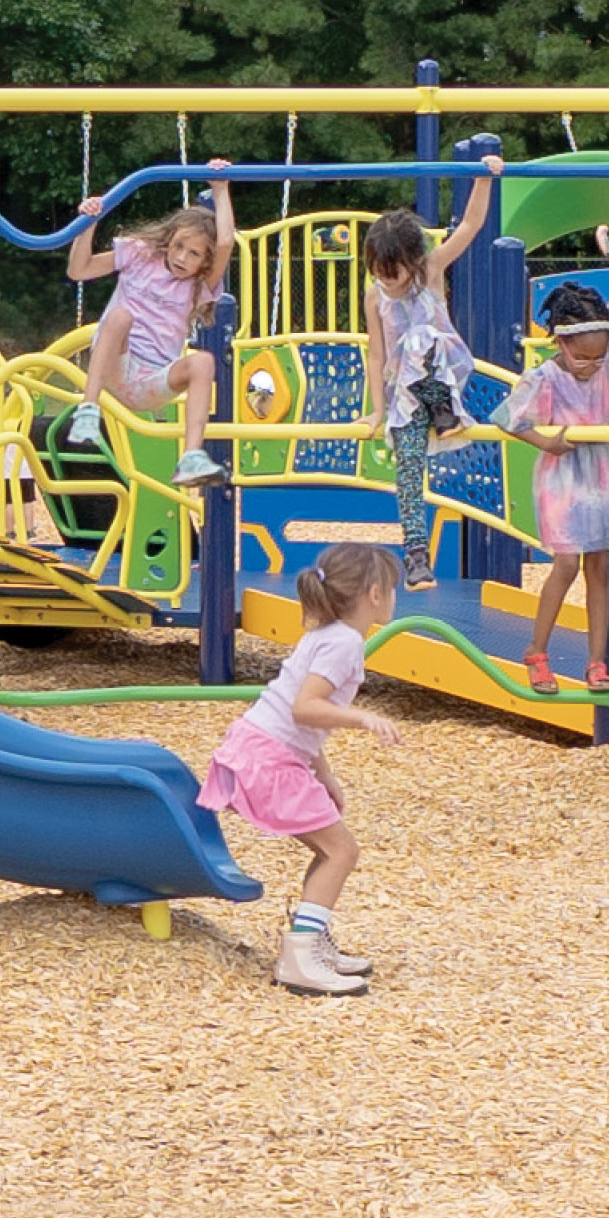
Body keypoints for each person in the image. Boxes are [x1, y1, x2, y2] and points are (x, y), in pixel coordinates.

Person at [195, 541, 402, 997]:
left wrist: (323, 774)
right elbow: (306, 708)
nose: (393, 596)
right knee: (342, 852)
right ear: (373, 594)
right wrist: (363, 718)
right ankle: (301, 957)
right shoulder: (344, 642)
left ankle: (311, 943)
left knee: (331, 850)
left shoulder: (327, 634)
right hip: (268, 758)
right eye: (391, 588)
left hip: (263, 749)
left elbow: (299, 716)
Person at [507, 279, 609, 694]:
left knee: (600, 566)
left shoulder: (601, 365)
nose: (591, 365)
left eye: (597, 358)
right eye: (582, 357)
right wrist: (549, 442)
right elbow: (510, 420)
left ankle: (597, 662)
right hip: (564, 479)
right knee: (565, 564)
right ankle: (537, 652)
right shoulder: (545, 377)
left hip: (604, 475)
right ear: (560, 342)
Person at [59, 162, 239, 488]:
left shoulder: (199, 285)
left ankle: (191, 458)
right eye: (179, 246)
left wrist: (220, 189)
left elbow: (225, 243)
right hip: (116, 364)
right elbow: (79, 269)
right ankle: (87, 411)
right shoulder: (139, 255)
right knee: (120, 315)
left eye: (195, 253)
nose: (183, 257)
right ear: (168, 239)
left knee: (203, 361)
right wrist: (88, 224)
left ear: (206, 262)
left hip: (153, 383)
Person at [361, 158, 498, 582]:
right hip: (406, 395)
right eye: (378, 274)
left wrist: (483, 178)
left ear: (414, 260)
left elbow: (472, 226)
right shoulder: (375, 297)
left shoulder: (431, 271)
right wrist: (377, 410)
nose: (387, 281)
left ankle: (444, 411)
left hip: (444, 374)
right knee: (407, 472)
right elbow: (377, 357)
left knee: (421, 338)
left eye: (394, 272)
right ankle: (417, 556)